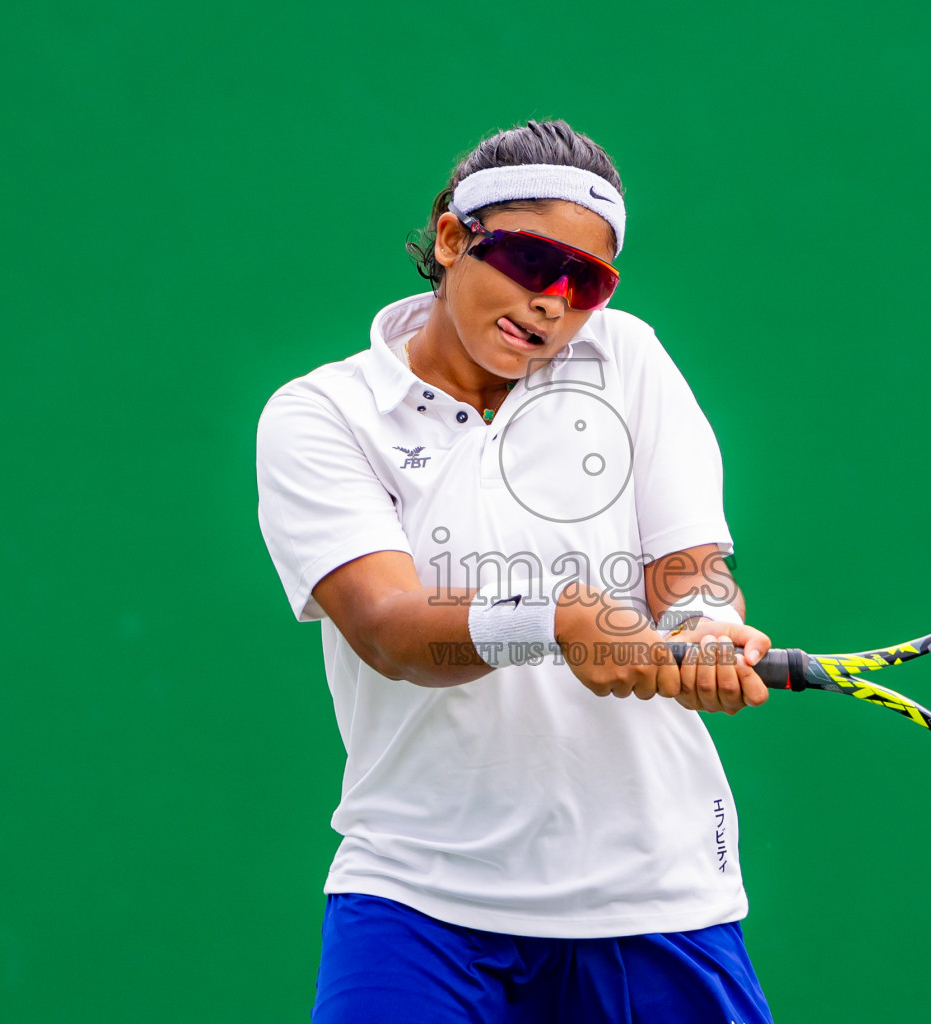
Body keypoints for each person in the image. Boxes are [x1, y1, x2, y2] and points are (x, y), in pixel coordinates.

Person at [256, 119, 775, 1023]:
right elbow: (387, 625)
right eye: (535, 263)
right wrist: (558, 622)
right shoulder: (322, 416)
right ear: (454, 238)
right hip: (416, 896)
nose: (554, 304)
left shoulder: (629, 358)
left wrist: (702, 628)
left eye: (588, 284)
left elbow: (691, 567)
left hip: (652, 893)